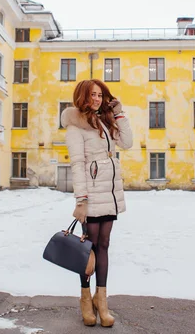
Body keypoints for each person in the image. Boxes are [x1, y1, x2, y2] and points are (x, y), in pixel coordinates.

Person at [60, 79, 133, 327]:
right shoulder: (75, 126)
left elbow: (128, 142)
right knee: (88, 249)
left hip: (109, 194)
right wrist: (80, 200)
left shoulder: (104, 121)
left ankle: (101, 300)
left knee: (104, 245)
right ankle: (85, 299)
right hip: (91, 196)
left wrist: (119, 113)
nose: (98, 99)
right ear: (83, 96)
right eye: (93, 95)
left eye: (100, 95)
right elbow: (77, 165)